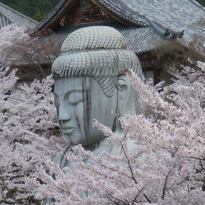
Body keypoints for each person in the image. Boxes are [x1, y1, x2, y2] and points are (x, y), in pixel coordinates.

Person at [51, 26, 140, 167]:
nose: (62, 116)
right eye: (57, 103)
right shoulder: (60, 160)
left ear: (122, 91)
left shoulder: (137, 158)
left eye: (74, 100)